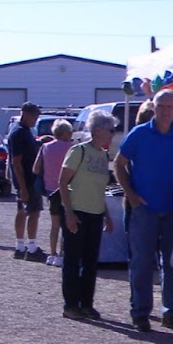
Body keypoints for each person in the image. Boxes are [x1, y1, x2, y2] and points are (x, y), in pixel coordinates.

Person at [113, 87, 173, 332]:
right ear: (154, 108)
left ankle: (170, 310)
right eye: (160, 106)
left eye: (169, 107)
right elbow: (119, 164)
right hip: (145, 209)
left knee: (172, 263)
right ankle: (140, 312)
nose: (165, 111)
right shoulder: (139, 134)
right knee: (141, 262)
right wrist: (131, 195)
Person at [57, 110, 117, 320]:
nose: (112, 134)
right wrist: (69, 213)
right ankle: (70, 305)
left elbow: (100, 190)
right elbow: (62, 182)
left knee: (91, 262)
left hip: (96, 213)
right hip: (77, 212)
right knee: (73, 260)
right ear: (98, 130)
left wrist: (107, 215)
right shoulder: (78, 151)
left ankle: (86, 304)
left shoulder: (104, 155)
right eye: (110, 130)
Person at [35, 119, 76, 266]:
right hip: (69, 189)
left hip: (50, 189)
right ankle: (64, 254)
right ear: (65, 133)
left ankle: (52, 255)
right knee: (68, 224)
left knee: (54, 225)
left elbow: (36, 168)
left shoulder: (45, 147)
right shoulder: (72, 148)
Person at [8, 103, 45, 260]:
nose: (36, 119)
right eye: (34, 115)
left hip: (27, 179)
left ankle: (20, 246)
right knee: (33, 212)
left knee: (22, 212)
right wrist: (23, 187)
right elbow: (16, 161)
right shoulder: (19, 133)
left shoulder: (24, 131)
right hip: (27, 179)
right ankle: (31, 248)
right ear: (25, 114)